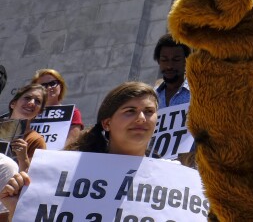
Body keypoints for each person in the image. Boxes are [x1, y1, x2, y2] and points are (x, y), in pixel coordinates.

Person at [0, 82, 159, 216]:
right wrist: (19, 209)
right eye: (130, 111)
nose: (141, 118)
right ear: (107, 123)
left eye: (149, 111)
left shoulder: (173, 177)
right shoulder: (67, 172)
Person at [30, 69, 84, 146]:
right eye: (43, 85)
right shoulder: (29, 113)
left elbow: (72, 141)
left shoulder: (72, 112)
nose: (48, 88)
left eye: (53, 83)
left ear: (61, 86)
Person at [6, 84, 47, 172]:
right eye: (27, 98)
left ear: (39, 112)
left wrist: (23, 158)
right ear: (13, 103)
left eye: (37, 101)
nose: (32, 103)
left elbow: (31, 180)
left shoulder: (36, 140)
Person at [153, 33, 190, 108]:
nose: (169, 66)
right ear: (158, 61)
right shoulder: (151, 97)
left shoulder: (198, 94)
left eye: (176, 60)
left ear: (186, 61)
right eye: (164, 60)